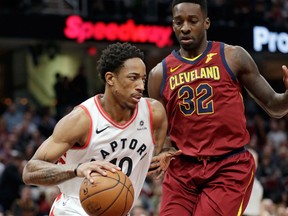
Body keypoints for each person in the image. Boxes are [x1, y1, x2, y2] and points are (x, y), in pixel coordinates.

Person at [147, 0, 288, 215]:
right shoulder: (159, 74)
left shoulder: (233, 57)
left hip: (228, 167)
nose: (185, 27)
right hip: (183, 169)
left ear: (206, 22)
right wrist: (165, 149)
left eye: (192, 21)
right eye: (178, 22)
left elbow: (275, 107)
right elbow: (162, 131)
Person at [22, 42, 177, 215]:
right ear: (110, 78)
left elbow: (161, 151)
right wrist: (77, 169)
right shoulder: (82, 119)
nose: (141, 86)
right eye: (133, 78)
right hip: (75, 209)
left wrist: (166, 152)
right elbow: (30, 171)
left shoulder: (154, 113)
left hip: (118, 208)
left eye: (143, 79)